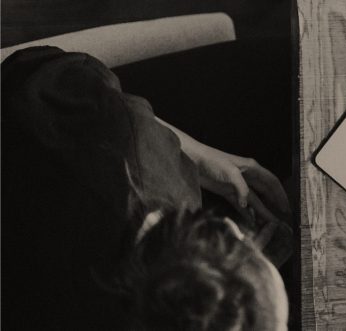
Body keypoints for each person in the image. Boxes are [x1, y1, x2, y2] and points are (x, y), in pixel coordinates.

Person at [1, 43, 292, 330]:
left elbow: (30, 68)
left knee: (267, 64)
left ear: (228, 229)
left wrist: (179, 149)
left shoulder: (132, 143)